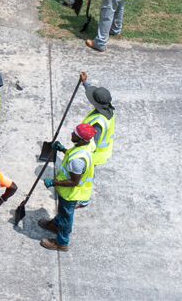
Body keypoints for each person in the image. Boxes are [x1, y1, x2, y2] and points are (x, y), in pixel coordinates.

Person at [37, 123, 96, 251]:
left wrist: (53, 182)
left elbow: (74, 181)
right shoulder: (88, 144)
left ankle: (62, 243)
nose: (72, 134)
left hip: (70, 193)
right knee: (63, 212)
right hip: (68, 191)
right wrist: (63, 149)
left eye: (75, 134)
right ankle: (56, 225)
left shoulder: (77, 160)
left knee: (66, 218)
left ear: (81, 139)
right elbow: (72, 153)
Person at [76, 71, 115, 208]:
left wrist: (80, 152)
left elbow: (92, 142)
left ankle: (83, 200)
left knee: (86, 177)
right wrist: (85, 83)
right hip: (99, 152)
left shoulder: (98, 122)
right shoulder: (108, 107)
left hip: (93, 154)